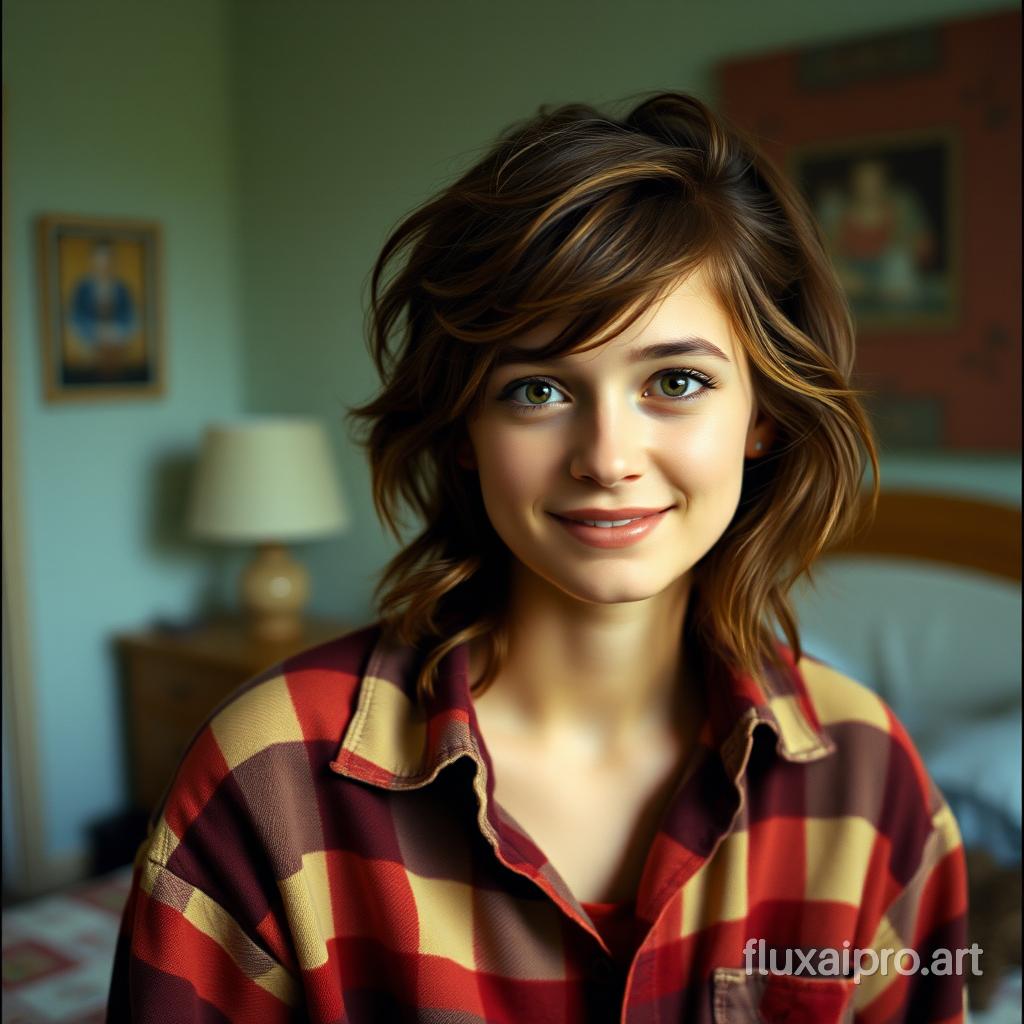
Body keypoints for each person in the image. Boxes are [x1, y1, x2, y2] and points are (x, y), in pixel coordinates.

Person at [108, 92, 969, 1022]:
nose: (606, 457)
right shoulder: (269, 777)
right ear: (464, 427)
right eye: (537, 388)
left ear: (760, 414)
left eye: (675, 382)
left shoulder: (871, 780)